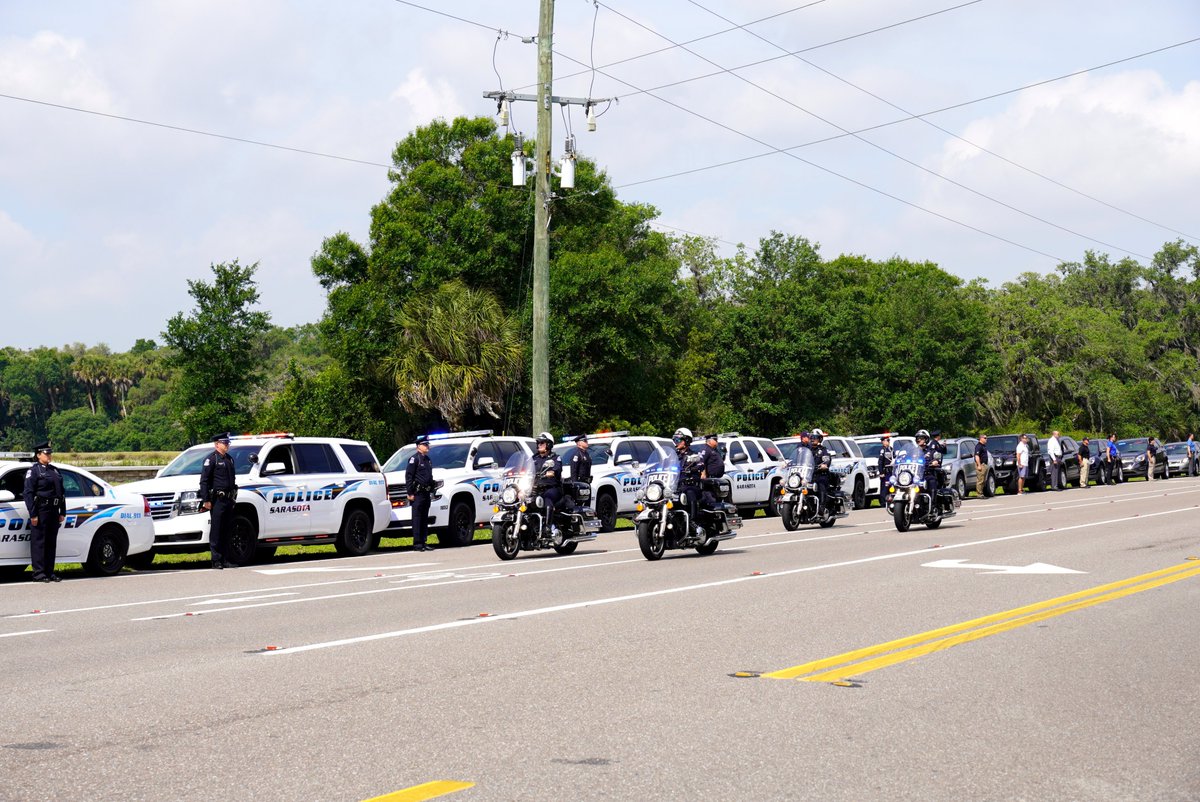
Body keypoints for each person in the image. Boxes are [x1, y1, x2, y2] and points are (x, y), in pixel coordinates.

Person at [22, 442, 65, 582]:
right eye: (46, 454)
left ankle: (49, 572)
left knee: (51, 542)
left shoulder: (55, 470)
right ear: (38, 455)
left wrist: (62, 511)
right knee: (39, 542)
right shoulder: (33, 471)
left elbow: (61, 493)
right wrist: (33, 514)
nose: (49, 456)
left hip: (54, 510)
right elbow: (28, 493)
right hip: (41, 511)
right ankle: (39, 574)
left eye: (50, 453)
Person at [199, 433, 238, 568]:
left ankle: (226, 559)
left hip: (228, 499)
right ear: (217, 444)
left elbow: (233, 480)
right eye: (224, 443)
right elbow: (204, 481)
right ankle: (216, 560)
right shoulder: (211, 459)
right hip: (217, 500)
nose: (227, 445)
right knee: (216, 530)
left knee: (227, 530)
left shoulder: (229, 459)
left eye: (228, 443)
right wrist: (206, 500)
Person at [531, 432, 564, 539]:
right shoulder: (533, 458)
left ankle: (547, 527)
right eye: (538, 442)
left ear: (549, 445)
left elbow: (557, 468)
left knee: (547, 499)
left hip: (552, 488)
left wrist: (551, 472)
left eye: (542, 442)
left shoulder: (555, 458)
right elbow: (524, 467)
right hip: (536, 489)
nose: (539, 444)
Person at [405, 435, 435, 551]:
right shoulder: (414, 459)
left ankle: (423, 542)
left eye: (427, 444)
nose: (427, 446)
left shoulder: (427, 460)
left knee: (424, 518)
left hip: (426, 493)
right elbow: (409, 477)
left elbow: (429, 476)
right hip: (417, 494)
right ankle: (417, 543)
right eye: (425, 444)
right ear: (418, 446)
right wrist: (410, 493)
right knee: (417, 518)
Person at [673, 428, 705, 535]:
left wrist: (694, 468)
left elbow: (701, 464)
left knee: (689, 493)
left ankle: (692, 521)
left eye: (678, 440)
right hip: (676, 486)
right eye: (674, 440)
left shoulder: (693, 455)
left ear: (686, 441)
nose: (675, 443)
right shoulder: (673, 456)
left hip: (690, 485)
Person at [809, 428, 834, 511]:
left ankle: (822, 506)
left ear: (820, 438)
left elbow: (827, 459)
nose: (812, 439)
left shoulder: (823, 450)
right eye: (811, 437)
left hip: (821, 474)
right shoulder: (808, 450)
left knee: (821, 484)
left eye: (815, 437)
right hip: (809, 475)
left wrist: (825, 464)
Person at [699, 433, 725, 510]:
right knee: (711, 499)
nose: (717, 442)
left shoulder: (714, 450)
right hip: (710, 479)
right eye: (715, 440)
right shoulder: (706, 449)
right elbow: (701, 462)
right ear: (709, 441)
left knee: (718, 498)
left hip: (716, 479)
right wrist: (703, 474)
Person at [567, 433, 592, 511]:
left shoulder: (586, 453)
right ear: (579, 443)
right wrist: (575, 484)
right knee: (580, 504)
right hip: (579, 482)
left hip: (586, 483)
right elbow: (574, 471)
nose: (587, 442)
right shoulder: (577, 455)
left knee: (587, 503)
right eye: (585, 441)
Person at [877, 434, 895, 508]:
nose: (887, 441)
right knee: (885, 487)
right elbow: (880, 462)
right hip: (885, 471)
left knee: (892, 486)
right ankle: (883, 502)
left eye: (888, 440)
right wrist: (881, 472)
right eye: (885, 440)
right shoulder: (883, 450)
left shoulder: (891, 449)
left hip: (892, 471)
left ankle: (891, 501)